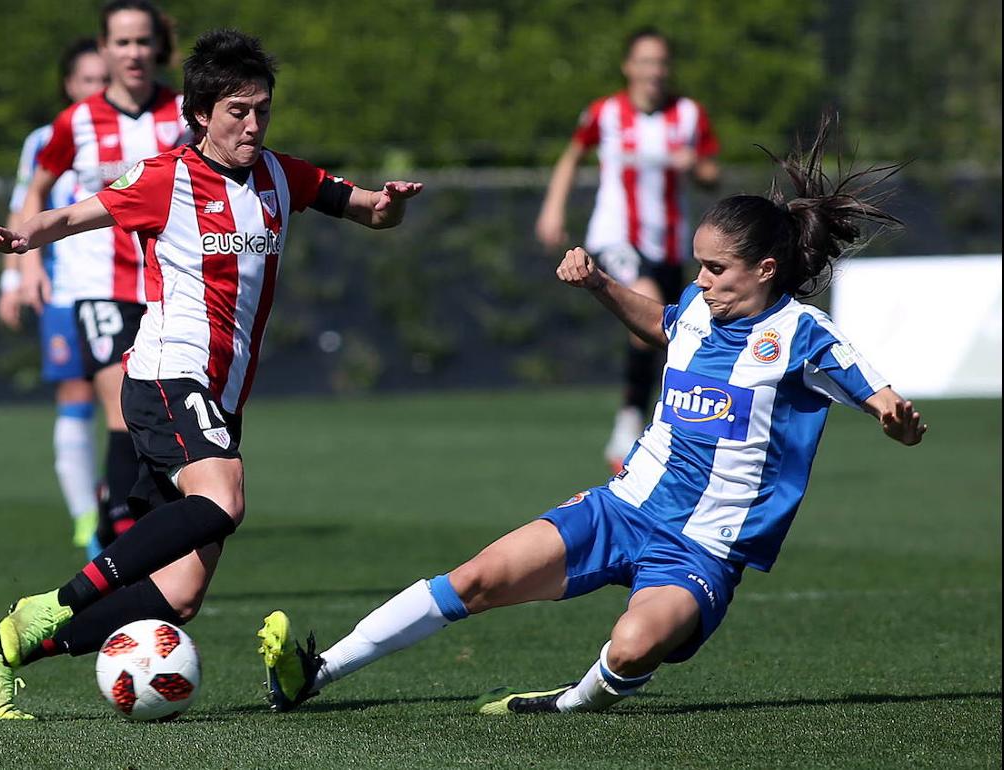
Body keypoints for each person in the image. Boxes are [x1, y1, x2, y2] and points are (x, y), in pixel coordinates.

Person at [258, 117, 926, 716]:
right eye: (698, 263)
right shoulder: (698, 308)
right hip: (622, 507)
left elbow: (872, 388)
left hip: (703, 549)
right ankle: (314, 673)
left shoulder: (802, 334)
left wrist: (890, 413)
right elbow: (663, 327)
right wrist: (601, 285)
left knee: (633, 646)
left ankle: (570, 704)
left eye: (715, 267)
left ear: (765, 269)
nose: (699, 279)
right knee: (475, 579)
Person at [0, 27, 423, 720]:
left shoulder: (283, 176)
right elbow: (80, 212)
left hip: (220, 397)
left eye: (262, 108)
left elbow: (370, 213)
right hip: (169, 376)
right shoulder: (165, 177)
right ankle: (45, 609)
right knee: (224, 498)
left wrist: (392, 204)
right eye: (238, 111)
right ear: (202, 112)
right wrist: (25, 237)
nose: (253, 124)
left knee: (180, 595)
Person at [16, 0, 191, 554]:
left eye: (142, 42)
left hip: (170, 285)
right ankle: (116, 541)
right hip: (99, 286)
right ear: (105, 47)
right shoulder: (79, 121)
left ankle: (133, 521)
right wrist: (25, 265)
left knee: (163, 414)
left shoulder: (187, 114)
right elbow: (37, 190)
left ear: (156, 46)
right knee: (122, 407)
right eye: (122, 43)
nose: (134, 53)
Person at [535, 27, 720, 475]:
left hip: (672, 246)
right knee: (647, 303)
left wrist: (694, 165)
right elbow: (571, 155)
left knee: (669, 332)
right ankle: (628, 420)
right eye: (645, 61)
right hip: (616, 237)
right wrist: (553, 208)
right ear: (628, 66)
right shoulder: (607, 113)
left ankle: (659, 425)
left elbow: (712, 173)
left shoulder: (689, 115)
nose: (653, 71)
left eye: (661, 62)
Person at [0, 38, 110, 555]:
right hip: (65, 291)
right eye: (88, 80)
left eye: (104, 80)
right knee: (75, 397)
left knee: (132, 406)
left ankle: (125, 509)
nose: (97, 89)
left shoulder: (131, 133)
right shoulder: (46, 138)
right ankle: (88, 520)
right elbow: (25, 206)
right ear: (70, 85)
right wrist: (15, 279)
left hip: (124, 290)